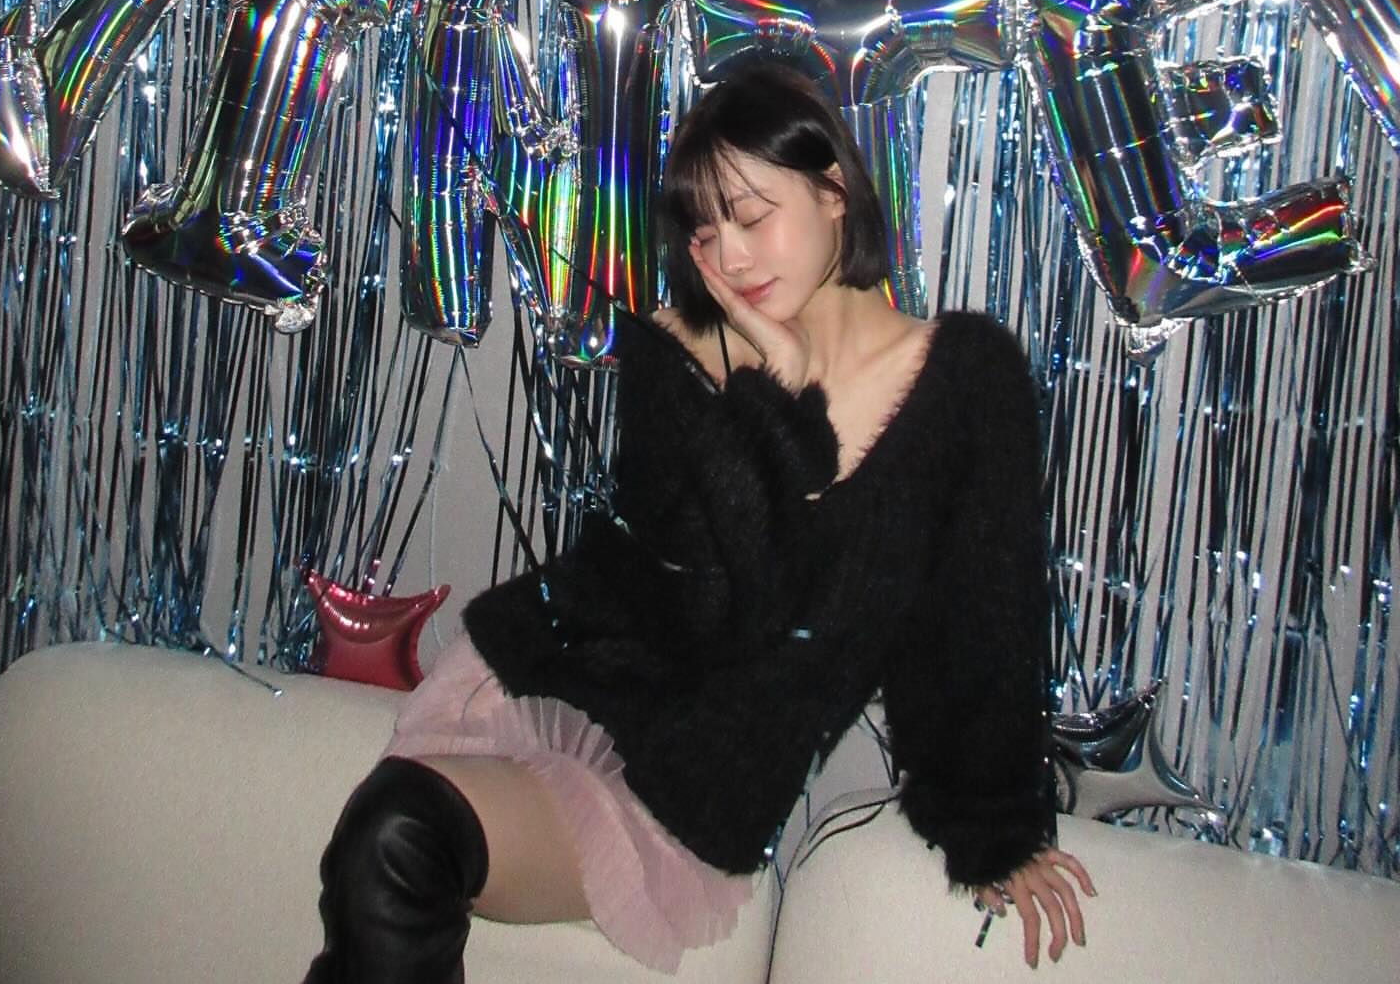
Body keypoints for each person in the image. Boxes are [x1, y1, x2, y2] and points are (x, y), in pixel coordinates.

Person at [302, 59, 1095, 982]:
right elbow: (699, 601)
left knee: (396, 839)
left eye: (752, 215)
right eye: (707, 231)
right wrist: (775, 399)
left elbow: (979, 627)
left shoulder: (965, 383)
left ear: (834, 192)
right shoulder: (678, 352)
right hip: (552, 683)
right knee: (389, 835)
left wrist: (993, 828)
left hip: (684, 791)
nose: (731, 258)